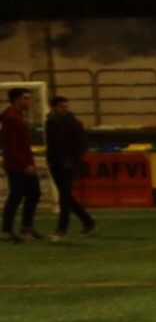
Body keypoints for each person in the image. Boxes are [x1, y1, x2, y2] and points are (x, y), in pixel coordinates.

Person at [44, 96, 95, 239]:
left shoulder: (73, 123)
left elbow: (82, 144)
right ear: (53, 107)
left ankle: (62, 229)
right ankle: (88, 221)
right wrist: (50, 160)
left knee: (64, 197)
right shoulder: (49, 123)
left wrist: (72, 160)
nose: (64, 109)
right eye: (61, 106)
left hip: (68, 164)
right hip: (55, 163)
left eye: (66, 106)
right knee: (66, 196)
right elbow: (51, 144)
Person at [2, 87, 40, 243]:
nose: (29, 101)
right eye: (26, 98)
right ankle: (6, 231)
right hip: (17, 165)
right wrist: (25, 164)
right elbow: (9, 145)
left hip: (23, 163)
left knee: (34, 193)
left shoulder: (17, 116)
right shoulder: (12, 118)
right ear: (16, 99)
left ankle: (26, 227)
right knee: (15, 196)